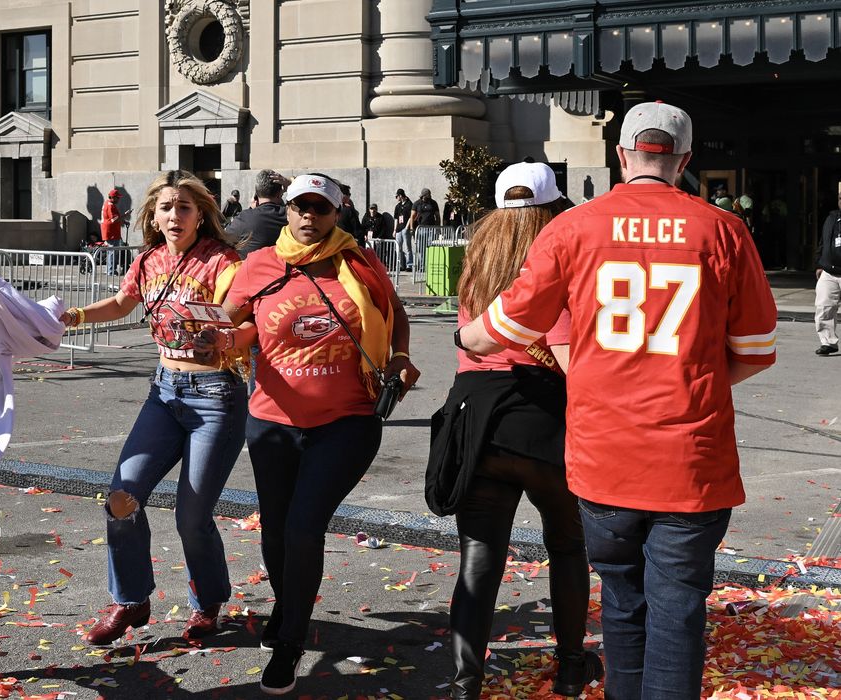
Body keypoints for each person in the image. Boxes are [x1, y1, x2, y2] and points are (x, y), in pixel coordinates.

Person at [457, 101, 778, 698]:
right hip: (689, 459)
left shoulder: (574, 227)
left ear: (622, 155)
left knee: (622, 601)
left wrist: (464, 339)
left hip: (604, 456)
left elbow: (504, 326)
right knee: (678, 611)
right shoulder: (722, 229)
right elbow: (757, 351)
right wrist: (693, 382)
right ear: (683, 159)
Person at [199, 173, 420, 694]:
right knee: (276, 530)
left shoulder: (359, 263)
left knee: (303, 527)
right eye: (301, 206)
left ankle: (291, 642)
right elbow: (238, 323)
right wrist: (218, 338)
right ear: (288, 208)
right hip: (272, 421)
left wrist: (400, 356)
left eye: (320, 209)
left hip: (347, 421)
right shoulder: (259, 264)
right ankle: (287, 605)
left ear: (337, 214)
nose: (308, 217)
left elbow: (395, 313)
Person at [430, 162, 599, 699]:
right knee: (567, 546)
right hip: (544, 417)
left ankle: (465, 682)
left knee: (478, 558)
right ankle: (570, 666)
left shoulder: (479, 260)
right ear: (552, 209)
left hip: (479, 418)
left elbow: (470, 339)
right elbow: (568, 352)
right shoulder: (555, 261)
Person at [62, 170, 248, 646]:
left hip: (215, 397)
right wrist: (74, 316)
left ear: (200, 215)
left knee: (191, 517)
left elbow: (237, 308)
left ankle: (207, 602)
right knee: (121, 499)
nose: (174, 215)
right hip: (164, 393)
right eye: (166, 207)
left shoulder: (222, 260)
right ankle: (131, 600)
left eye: (184, 207)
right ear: (153, 216)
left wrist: (221, 332)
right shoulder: (148, 260)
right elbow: (122, 302)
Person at [228, 169, 289, 257]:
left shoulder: (243, 218)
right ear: (280, 194)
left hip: (249, 265)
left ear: (256, 195)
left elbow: (223, 238)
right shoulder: (290, 215)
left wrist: (250, 209)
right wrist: (290, 184)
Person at [815, 191, 841, 356]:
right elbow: (823, 242)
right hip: (829, 271)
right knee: (824, 307)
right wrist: (819, 263)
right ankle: (828, 342)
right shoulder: (832, 218)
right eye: (840, 198)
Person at [101, 189, 127, 276]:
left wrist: (123, 220)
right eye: (117, 198)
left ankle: (109, 269)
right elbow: (114, 219)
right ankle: (111, 271)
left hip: (110, 231)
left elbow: (114, 218)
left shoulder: (107, 203)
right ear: (112, 197)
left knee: (111, 251)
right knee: (113, 251)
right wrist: (125, 215)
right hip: (111, 232)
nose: (119, 199)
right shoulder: (111, 206)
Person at [392, 188, 413, 270]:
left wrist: (407, 227)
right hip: (398, 229)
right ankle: (400, 265)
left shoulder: (409, 204)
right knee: (399, 248)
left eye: (397, 196)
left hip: (405, 228)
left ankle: (409, 265)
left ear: (400, 195)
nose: (396, 198)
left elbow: (411, 217)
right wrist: (394, 230)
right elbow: (396, 219)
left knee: (407, 247)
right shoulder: (398, 206)